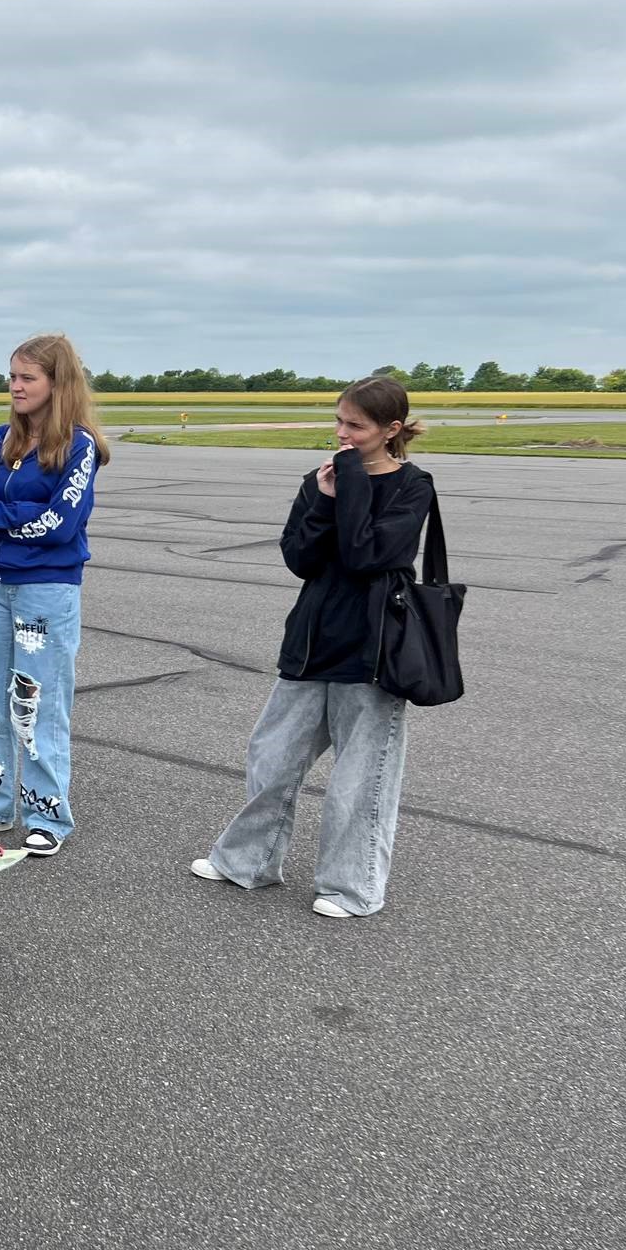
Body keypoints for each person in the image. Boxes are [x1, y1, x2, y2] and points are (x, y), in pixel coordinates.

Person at [191, 376, 433, 918]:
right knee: (272, 757)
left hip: (372, 651)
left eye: (357, 425)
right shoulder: (320, 479)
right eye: (339, 421)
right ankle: (247, 862)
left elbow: (366, 555)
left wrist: (347, 488)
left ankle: (352, 887)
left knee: (361, 778)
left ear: (391, 430)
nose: (343, 434)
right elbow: (300, 558)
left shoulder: (413, 487)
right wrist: (324, 499)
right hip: (310, 642)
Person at [0, 334, 110, 857]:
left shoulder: (79, 445)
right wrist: (2, 518)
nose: (16, 386)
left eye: (28, 378)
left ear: (56, 384)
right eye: (13, 376)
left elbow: (61, 524)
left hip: (46, 590)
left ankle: (47, 813)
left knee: (37, 702)